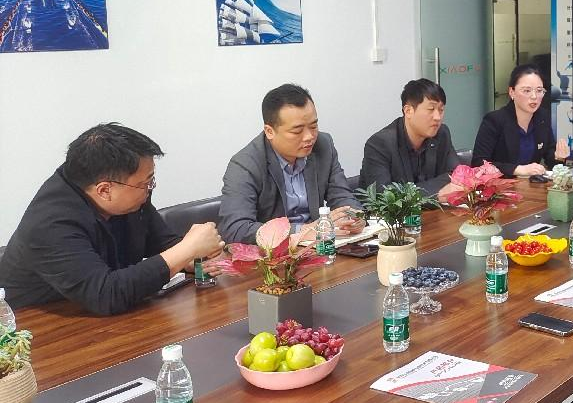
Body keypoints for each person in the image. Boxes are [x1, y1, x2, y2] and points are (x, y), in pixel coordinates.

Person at [0, 124, 224, 315]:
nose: (149, 189)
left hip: (109, 318)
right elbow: (106, 294)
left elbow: (163, 243)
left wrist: (192, 258)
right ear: (104, 190)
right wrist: (186, 250)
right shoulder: (50, 224)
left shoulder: (129, 198)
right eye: (145, 183)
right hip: (36, 329)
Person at [219, 84, 364, 244]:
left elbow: (342, 196)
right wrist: (301, 231)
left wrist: (354, 217)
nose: (309, 137)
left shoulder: (323, 145)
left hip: (319, 246)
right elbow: (236, 229)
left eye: (313, 126)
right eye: (297, 131)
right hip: (277, 254)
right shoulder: (245, 165)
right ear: (269, 131)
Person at [359, 78, 460, 200]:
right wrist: (436, 194)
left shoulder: (441, 134)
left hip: (433, 210)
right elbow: (385, 197)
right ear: (408, 111)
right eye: (431, 109)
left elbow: (457, 176)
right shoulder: (379, 144)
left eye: (441, 110)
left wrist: (411, 192)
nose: (437, 117)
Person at [471, 64, 570, 177]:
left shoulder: (542, 117)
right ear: (512, 92)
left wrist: (559, 157)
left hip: (530, 185)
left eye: (539, 90)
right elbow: (478, 164)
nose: (534, 96)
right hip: (500, 185)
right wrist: (517, 170)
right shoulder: (494, 120)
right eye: (527, 91)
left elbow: (550, 159)